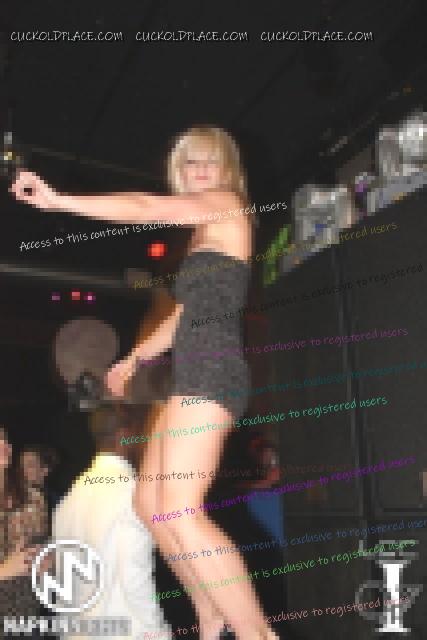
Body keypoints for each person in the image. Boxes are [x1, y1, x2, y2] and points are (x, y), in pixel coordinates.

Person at [11, 125, 279, 640]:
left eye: (210, 161)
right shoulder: (203, 235)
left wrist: (61, 201)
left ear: (227, 169)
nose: (199, 171)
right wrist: (133, 358)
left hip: (213, 370)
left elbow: (144, 206)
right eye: (190, 163)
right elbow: (182, 316)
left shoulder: (226, 205)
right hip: (192, 373)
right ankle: (211, 618)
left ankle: (257, 633)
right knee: (149, 506)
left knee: (179, 507)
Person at [53, 405, 172, 640]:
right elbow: (134, 572)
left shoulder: (70, 498)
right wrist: (157, 632)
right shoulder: (130, 492)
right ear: (124, 436)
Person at [0, 426, 47, 621]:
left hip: (27, 612)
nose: (4, 444)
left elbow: (43, 548)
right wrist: (4, 570)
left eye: (5, 439)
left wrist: (48, 560)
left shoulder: (33, 498)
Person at [19, 445, 59, 516]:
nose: (23, 470)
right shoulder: (13, 496)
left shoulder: (56, 503)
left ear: (44, 470)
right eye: (22, 465)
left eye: (30, 465)